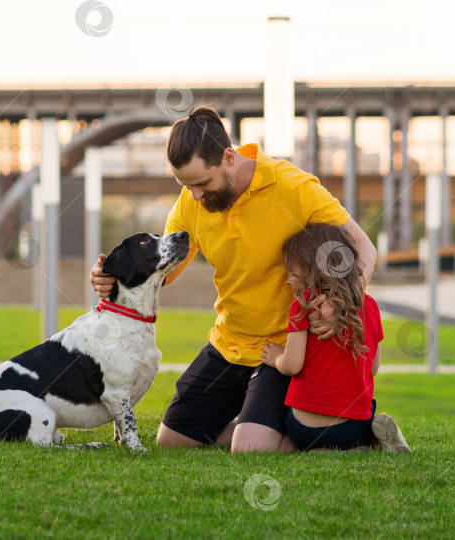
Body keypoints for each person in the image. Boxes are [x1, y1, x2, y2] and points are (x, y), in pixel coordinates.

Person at [89, 106, 377, 451]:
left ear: (228, 157)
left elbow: (364, 249)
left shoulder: (294, 188)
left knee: (250, 448)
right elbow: (161, 270)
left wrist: (342, 302)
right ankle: (256, 421)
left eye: (202, 184)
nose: (195, 196)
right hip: (228, 342)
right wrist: (109, 278)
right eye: (186, 186)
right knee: (172, 441)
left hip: (281, 349)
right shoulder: (191, 202)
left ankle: (343, 426)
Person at [257, 223, 410, 453]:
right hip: (354, 426)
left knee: (286, 444)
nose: (288, 280)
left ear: (312, 269)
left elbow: (292, 365)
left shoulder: (304, 302)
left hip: (304, 429)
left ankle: (321, 449)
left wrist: (276, 357)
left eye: (292, 271)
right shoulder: (370, 306)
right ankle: (363, 443)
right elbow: (374, 367)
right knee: (365, 418)